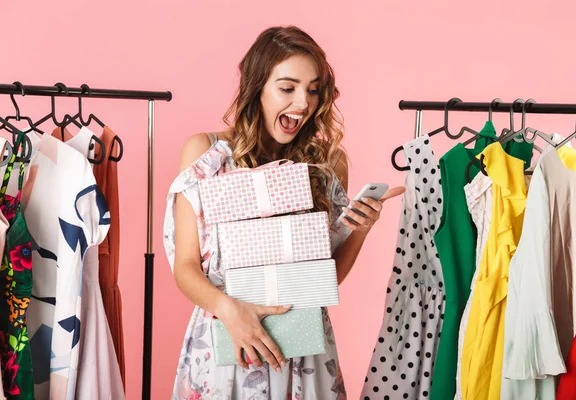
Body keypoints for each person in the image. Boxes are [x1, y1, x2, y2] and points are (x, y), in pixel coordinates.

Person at [163, 25, 404, 400]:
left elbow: (324, 280)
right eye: (287, 88)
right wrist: (231, 312)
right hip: (227, 338)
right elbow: (186, 267)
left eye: (312, 89)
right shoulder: (206, 154)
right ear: (257, 86)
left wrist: (361, 229)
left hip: (304, 345)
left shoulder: (327, 163)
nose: (303, 103)